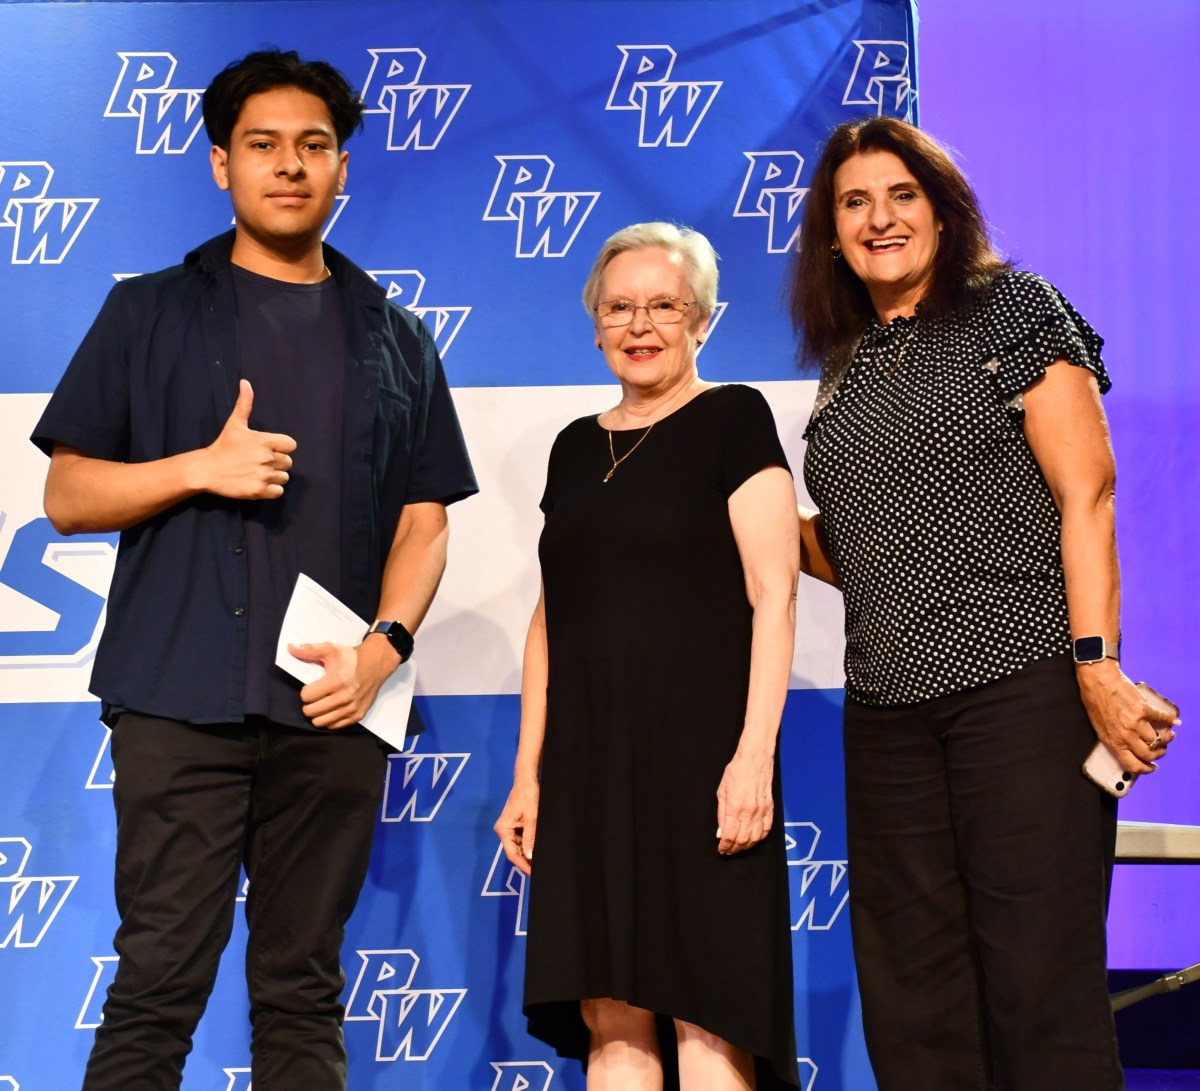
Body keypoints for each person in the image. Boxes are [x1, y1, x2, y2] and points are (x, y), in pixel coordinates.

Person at [31, 49, 476, 1089]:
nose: (291, 166)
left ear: (344, 168)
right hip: (179, 699)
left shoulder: (397, 334)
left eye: (314, 146)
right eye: (264, 146)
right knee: (157, 983)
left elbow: (424, 520)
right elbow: (67, 495)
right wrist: (200, 467)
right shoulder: (147, 312)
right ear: (220, 164)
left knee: (302, 983)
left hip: (333, 706)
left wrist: (385, 648)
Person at [788, 116, 1180, 1091]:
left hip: (1022, 693)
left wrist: (1098, 667)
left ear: (942, 207)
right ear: (830, 233)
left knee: (1038, 984)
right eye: (854, 202)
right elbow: (873, 549)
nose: (880, 218)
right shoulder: (846, 363)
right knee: (913, 999)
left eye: (901, 194)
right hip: (885, 716)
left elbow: (1086, 491)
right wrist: (737, 512)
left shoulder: (1010, 308)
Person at [494, 222, 801, 1091]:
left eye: (665, 305)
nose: (640, 324)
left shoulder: (735, 418)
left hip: (704, 762)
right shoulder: (574, 446)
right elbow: (553, 621)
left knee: (709, 1018)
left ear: (702, 319)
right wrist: (528, 775)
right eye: (620, 306)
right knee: (612, 1019)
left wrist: (753, 759)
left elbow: (774, 595)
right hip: (590, 768)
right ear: (594, 324)